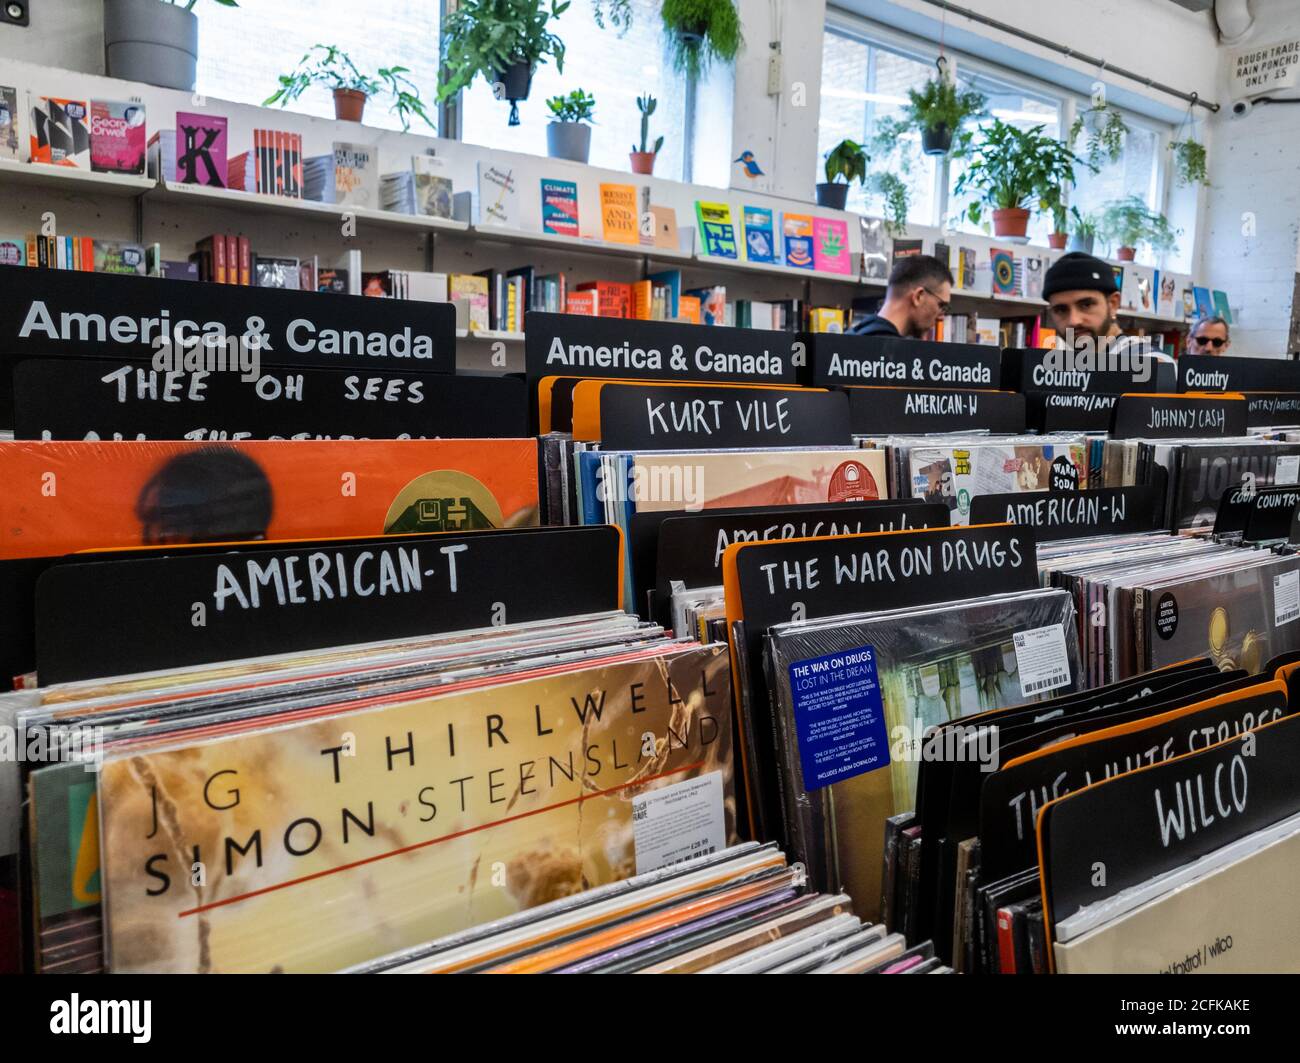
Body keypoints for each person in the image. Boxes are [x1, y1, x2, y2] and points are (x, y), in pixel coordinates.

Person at [1041, 251, 1169, 365]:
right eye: (1061, 310)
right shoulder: (1061, 366)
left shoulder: (1145, 361)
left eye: (1086, 305)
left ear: (1113, 304)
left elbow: (1158, 367)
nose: (1073, 320)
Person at [850, 254, 953, 338]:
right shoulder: (895, 354)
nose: (942, 317)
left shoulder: (852, 336)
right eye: (941, 306)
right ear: (918, 296)